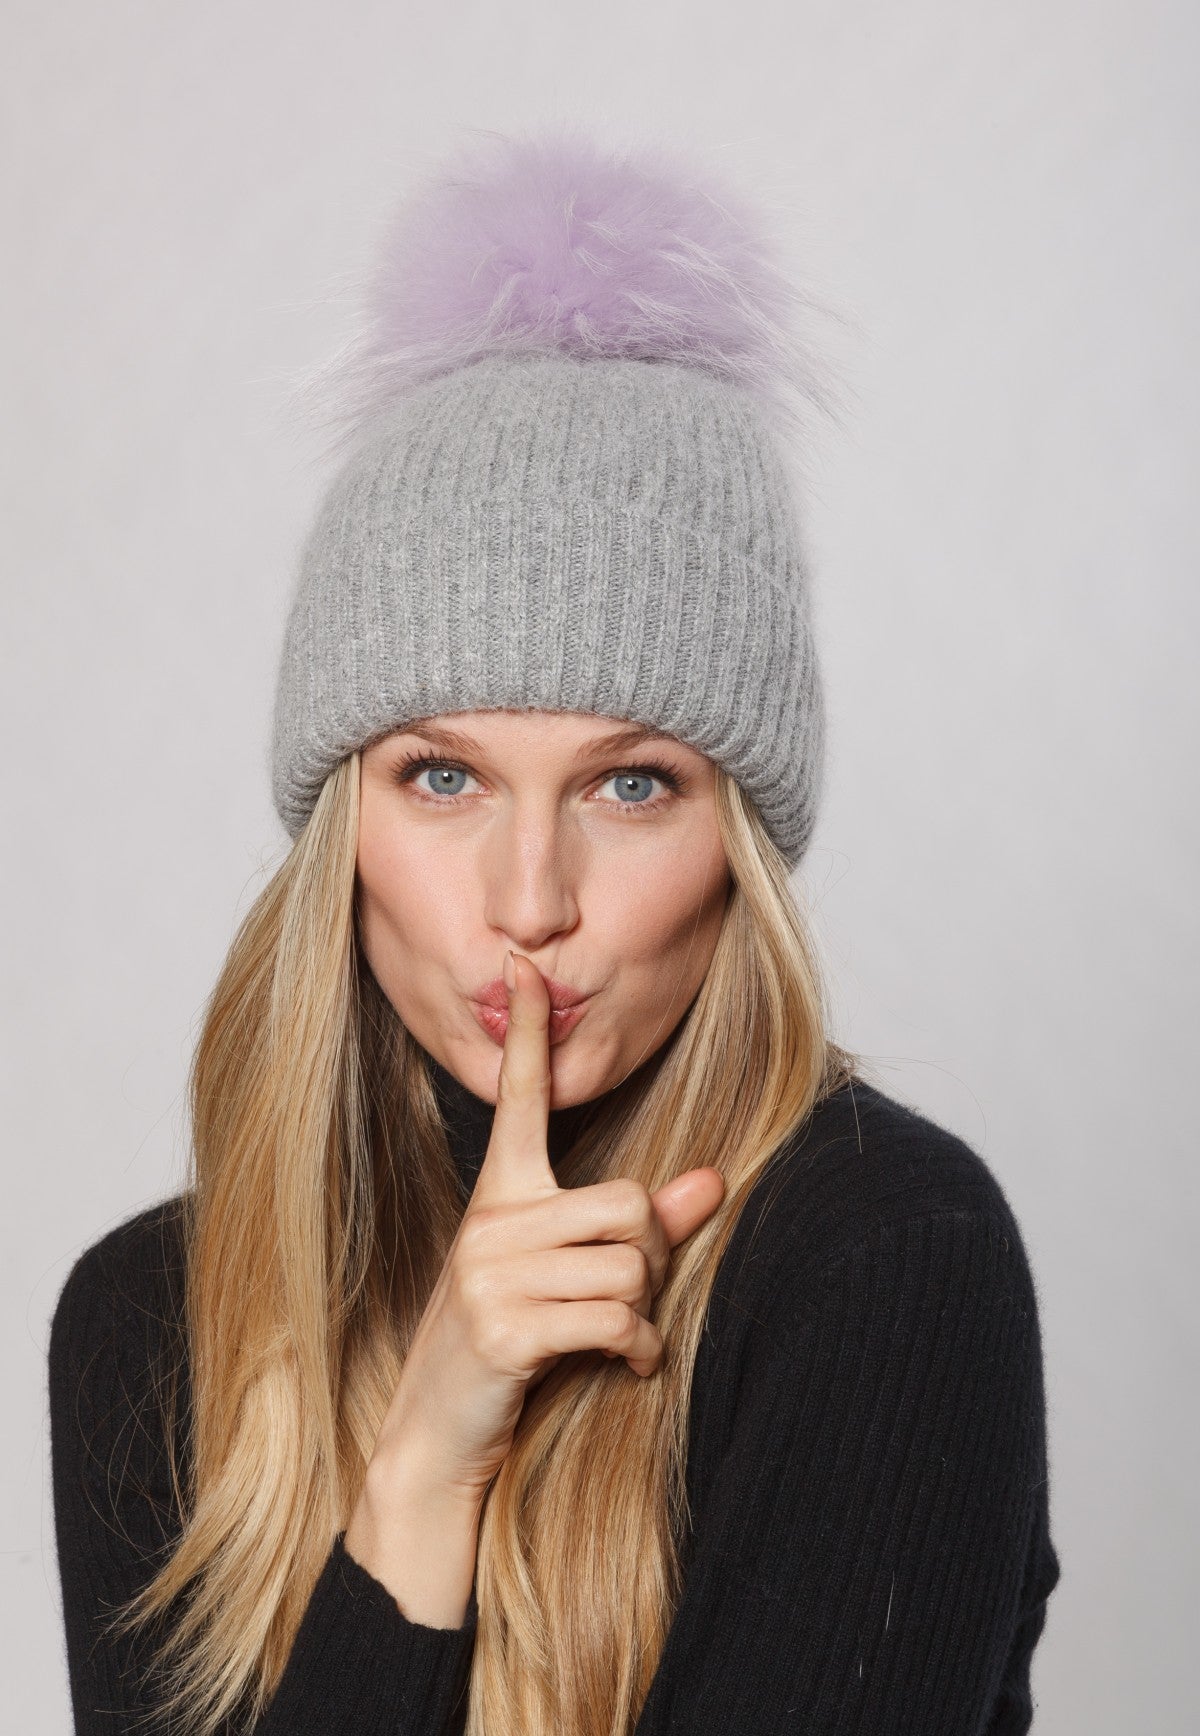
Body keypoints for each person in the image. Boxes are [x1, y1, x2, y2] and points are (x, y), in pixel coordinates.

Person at [48, 125, 1061, 1736]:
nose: (531, 905)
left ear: (739, 838)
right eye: (442, 774)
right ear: (341, 827)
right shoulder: (149, 1327)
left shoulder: (881, 1261)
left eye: (633, 785)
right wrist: (425, 1469)